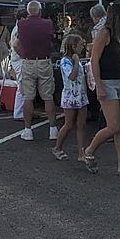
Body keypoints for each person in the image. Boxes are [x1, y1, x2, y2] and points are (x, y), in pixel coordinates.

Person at [83, 1, 120, 176]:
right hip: (108, 81)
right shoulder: (105, 32)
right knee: (114, 125)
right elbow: (94, 60)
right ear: (119, 15)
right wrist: (99, 86)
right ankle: (89, 151)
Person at [13, 1, 58, 142]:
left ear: (28, 12)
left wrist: (23, 55)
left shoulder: (22, 25)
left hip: (28, 61)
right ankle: (53, 129)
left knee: (28, 96)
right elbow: (51, 43)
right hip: (44, 60)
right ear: (40, 11)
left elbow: (16, 44)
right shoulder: (47, 23)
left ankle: (28, 130)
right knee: (48, 96)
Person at [52, 33, 88, 161]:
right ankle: (57, 147)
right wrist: (77, 62)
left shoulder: (76, 60)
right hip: (70, 96)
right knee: (69, 124)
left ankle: (81, 152)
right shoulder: (65, 61)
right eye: (80, 45)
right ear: (73, 46)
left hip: (81, 95)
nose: (82, 47)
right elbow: (71, 77)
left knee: (81, 124)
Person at [7, 8, 28, 120]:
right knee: (23, 87)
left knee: (24, 87)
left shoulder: (16, 28)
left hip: (17, 59)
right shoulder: (20, 29)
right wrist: (24, 55)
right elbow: (15, 45)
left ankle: (25, 111)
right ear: (23, 18)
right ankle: (19, 113)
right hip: (20, 60)